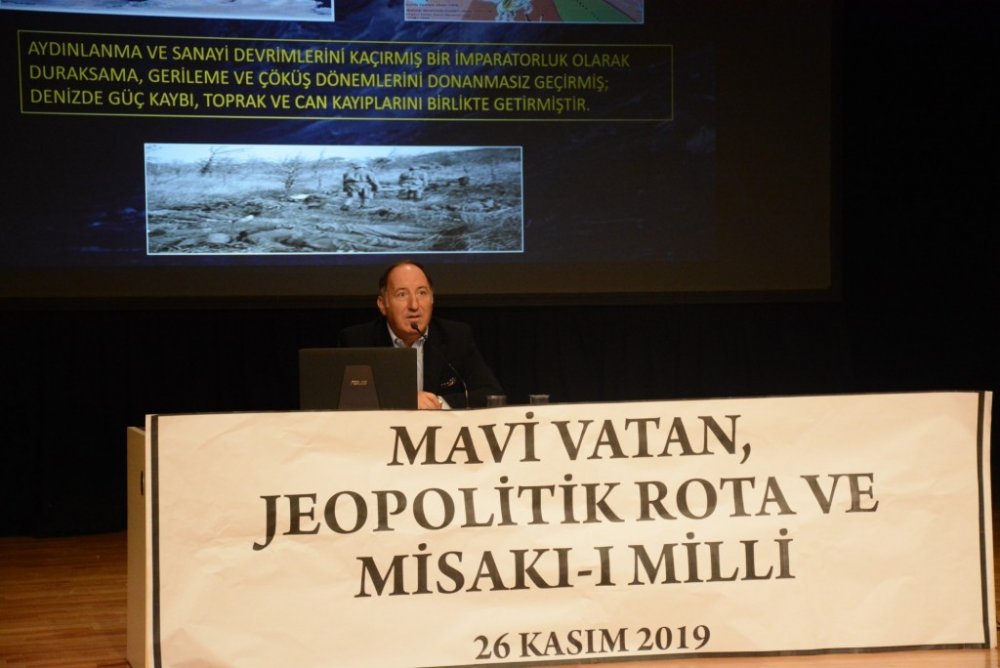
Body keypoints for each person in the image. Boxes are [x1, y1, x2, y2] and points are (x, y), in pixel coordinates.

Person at [339, 260, 503, 409]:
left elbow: (491, 394)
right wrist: (405, 400)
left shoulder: (456, 337)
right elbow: (343, 400)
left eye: (422, 293)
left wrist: (437, 403)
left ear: (432, 299)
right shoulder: (357, 341)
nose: (414, 305)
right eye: (402, 294)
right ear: (383, 304)